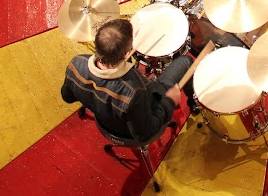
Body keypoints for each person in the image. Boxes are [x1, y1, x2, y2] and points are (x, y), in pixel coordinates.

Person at [61, 18, 192, 142]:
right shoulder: (133, 91)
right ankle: (193, 103)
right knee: (185, 62)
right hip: (128, 132)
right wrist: (169, 101)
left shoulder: (76, 63)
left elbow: (67, 97)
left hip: (104, 119)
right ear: (126, 54)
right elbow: (145, 134)